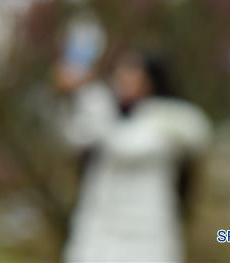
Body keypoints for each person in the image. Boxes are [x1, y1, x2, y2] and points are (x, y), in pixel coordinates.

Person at [55, 49, 211, 263]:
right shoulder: (112, 113)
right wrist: (69, 95)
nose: (124, 80)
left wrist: (89, 92)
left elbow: (124, 148)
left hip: (144, 235)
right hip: (100, 231)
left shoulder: (168, 120)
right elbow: (72, 136)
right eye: (121, 73)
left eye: (132, 74)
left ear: (151, 79)